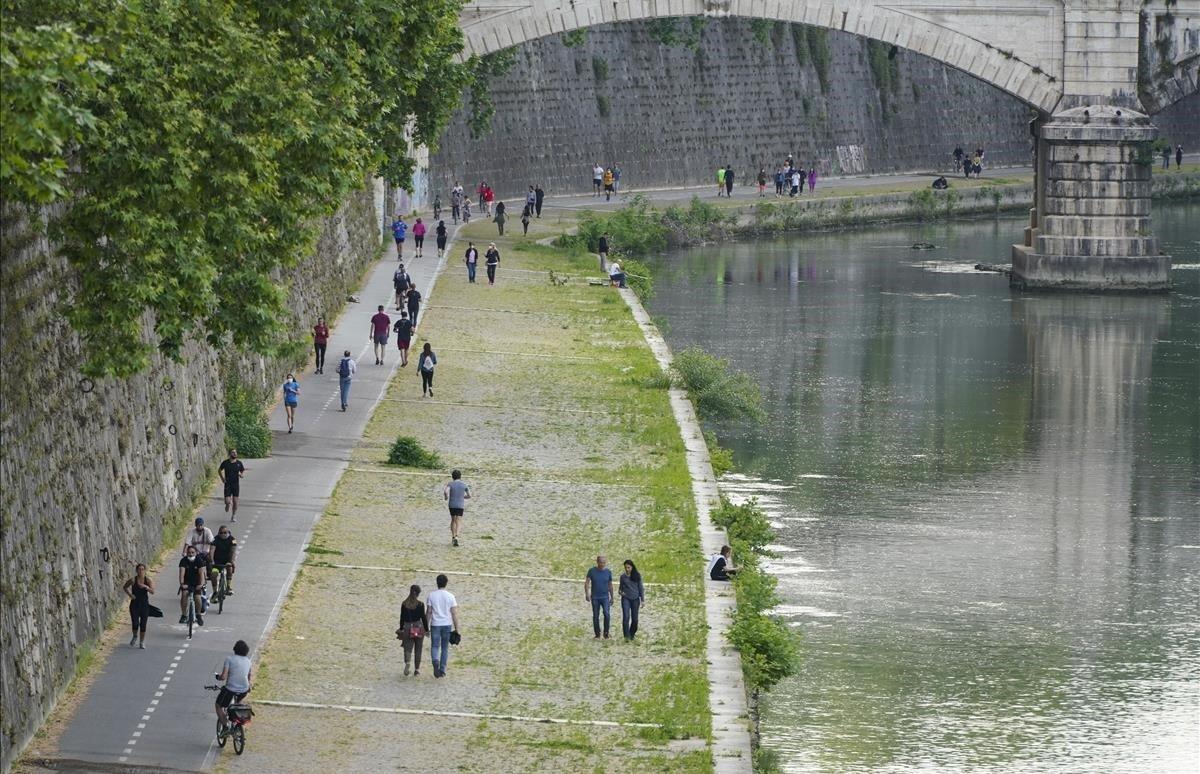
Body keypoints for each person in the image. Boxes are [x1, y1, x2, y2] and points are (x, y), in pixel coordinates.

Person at [426, 574, 460, 678]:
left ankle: (435, 662)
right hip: (447, 624)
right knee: (445, 648)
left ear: (437, 583)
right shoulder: (450, 596)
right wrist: (457, 629)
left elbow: (429, 612)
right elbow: (454, 613)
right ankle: (442, 669)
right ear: (446, 583)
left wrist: (425, 626)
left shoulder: (431, 595)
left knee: (435, 646)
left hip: (435, 624)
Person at [215, 640, 252, 731]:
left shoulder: (229, 659)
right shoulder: (248, 661)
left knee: (218, 705)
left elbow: (223, 677)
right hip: (244, 689)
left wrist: (218, 677)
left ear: (235, 649)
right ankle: (237, 726)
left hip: (231, 689)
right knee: (237, 705)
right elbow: (248, 677)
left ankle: (225, 726)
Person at [398, 585, 429, 676]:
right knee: (418, 649)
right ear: (418, 594)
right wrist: (427, 630)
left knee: (407, 648)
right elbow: (423, 618)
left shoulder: (404, 604)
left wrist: (401, 628)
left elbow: (402, 618)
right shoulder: (420, 604)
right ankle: (417, 670)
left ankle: (407, 663)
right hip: (418, 628)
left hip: (408, 627)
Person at [124, 563, 155, 648]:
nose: (141, 571)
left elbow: (152, 591)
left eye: (142, 569)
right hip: (134, 604)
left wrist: (146, 587)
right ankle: (135, 636)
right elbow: (125, 587)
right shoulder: (133, 580)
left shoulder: (148, 580)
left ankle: (142, 642)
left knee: (143, 624)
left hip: (144, 604)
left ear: (145, 571)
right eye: (139, 569)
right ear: (136, 570)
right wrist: (130, 595)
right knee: (135, 622)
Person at [178, 544, 209, 626]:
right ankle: (184, 615)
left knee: (197, 598)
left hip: (197, 583)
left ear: (196, 553)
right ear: (187, 553)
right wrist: (182, 584)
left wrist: (201, 584)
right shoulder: (183, 561)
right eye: (189, 552)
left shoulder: (199, 561)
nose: (191, 554)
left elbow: (201, 574)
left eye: (192, 552)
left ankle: (198, 615)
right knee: (184, 594)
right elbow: (182, 573)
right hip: (186, 583)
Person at [585, 555, 614, 639]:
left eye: (604, 562)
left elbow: (610, 585)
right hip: (595, 597)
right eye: (601, 562)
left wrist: (612, 597)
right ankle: (597, 633)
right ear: (597, 562)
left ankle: (606, 632)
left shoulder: (608, 572)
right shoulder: (591, 571)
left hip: (605, 597)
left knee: (607, 614)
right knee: (595, 615)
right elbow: (587, 582)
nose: (602, 564)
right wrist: (587, 593)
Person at [443, 469, 471, 547]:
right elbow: (469, 495)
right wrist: (463, 497)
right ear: (460, 476)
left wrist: (446, 497)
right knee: (459, 520)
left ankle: (453, 536)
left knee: (453, 520)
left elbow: (446, 491)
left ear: (452, 477)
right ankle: (457, 536)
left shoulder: (450, 484)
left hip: (452, 505)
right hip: (460, 505)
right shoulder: (464, 484)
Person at [619, 560, 644, 641]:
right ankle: (626, 636)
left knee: (635, 619)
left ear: (632, 567)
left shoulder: (637, 576)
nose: (627, 569)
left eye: (628, 567)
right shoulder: (622, 577)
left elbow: (641, 588)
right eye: (626, 568)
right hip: (626, 598)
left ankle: (631, 634)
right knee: (626, 617)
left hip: (635, 599)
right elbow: (620, 588)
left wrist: (642, 600)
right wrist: (621, 592)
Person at [209, 524, 237, 596]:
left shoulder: (232, 539)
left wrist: (232, 561)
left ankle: (228, 587)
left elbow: (233, 551)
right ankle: (215, 591)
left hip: (227, 560)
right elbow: (212, 550)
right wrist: (211, 560)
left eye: (225, 532)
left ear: (228, 532)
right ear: (219, 533)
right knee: (213, 575)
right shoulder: (215, 539)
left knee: (229, 569)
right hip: (217, 562)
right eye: (221, 533)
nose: (223, 534)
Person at [218, 451, 244, 521]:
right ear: (230, 454)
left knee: (235, 502)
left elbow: (242, 470)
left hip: (235, 485)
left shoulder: (239, 463)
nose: (235, 454)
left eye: (236, 452)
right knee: (227, 501)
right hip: (228, 484)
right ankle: (227, 505)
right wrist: (222, 479)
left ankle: (233, 515)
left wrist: (241, 474)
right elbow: (219, 470)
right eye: (233, 452)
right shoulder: (225, 463)